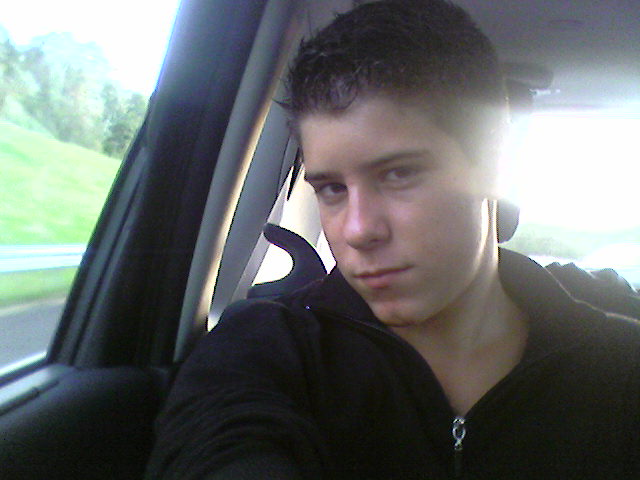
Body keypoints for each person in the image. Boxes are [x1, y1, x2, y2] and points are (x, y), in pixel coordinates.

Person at [145, 1, 640, 478]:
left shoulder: (619, 369)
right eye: (332, 189)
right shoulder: (265, 348)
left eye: (399, 174)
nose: (358, 230)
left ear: (494, 166)